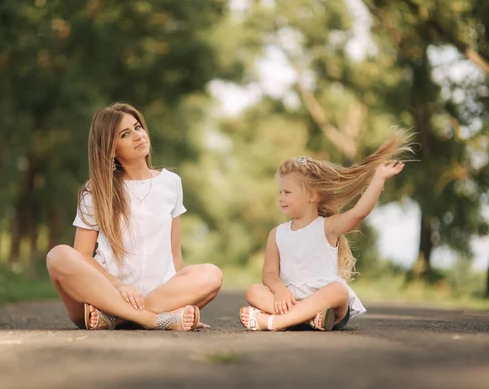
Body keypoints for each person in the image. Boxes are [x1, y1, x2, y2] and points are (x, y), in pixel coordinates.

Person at [47, 102, 223, 331]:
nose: (138, 136)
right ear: (111, 149)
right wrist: (118, 286)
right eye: (125, 134)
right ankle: (152, 320)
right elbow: (82, 256)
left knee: (212, 274)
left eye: (138, 127)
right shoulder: (96, 190)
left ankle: (117, 318)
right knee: (58, 255)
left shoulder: (171, 183)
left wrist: (183, 294)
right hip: (101, 298)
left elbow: (174, 253)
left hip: (153, 298)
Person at [239, 130, 413, 331]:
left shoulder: (327, 226)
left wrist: (379, 178)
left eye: (287, 192)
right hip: (290, 299)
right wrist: (279, 291)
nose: (281, 198)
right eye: (280, 192)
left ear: (311, 196)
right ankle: (307, 318)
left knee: (339, 291)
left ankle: (276, 322)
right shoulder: (277, 234)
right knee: (254, 291)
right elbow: (269, 274)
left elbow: (358, 213)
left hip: (327, 303)